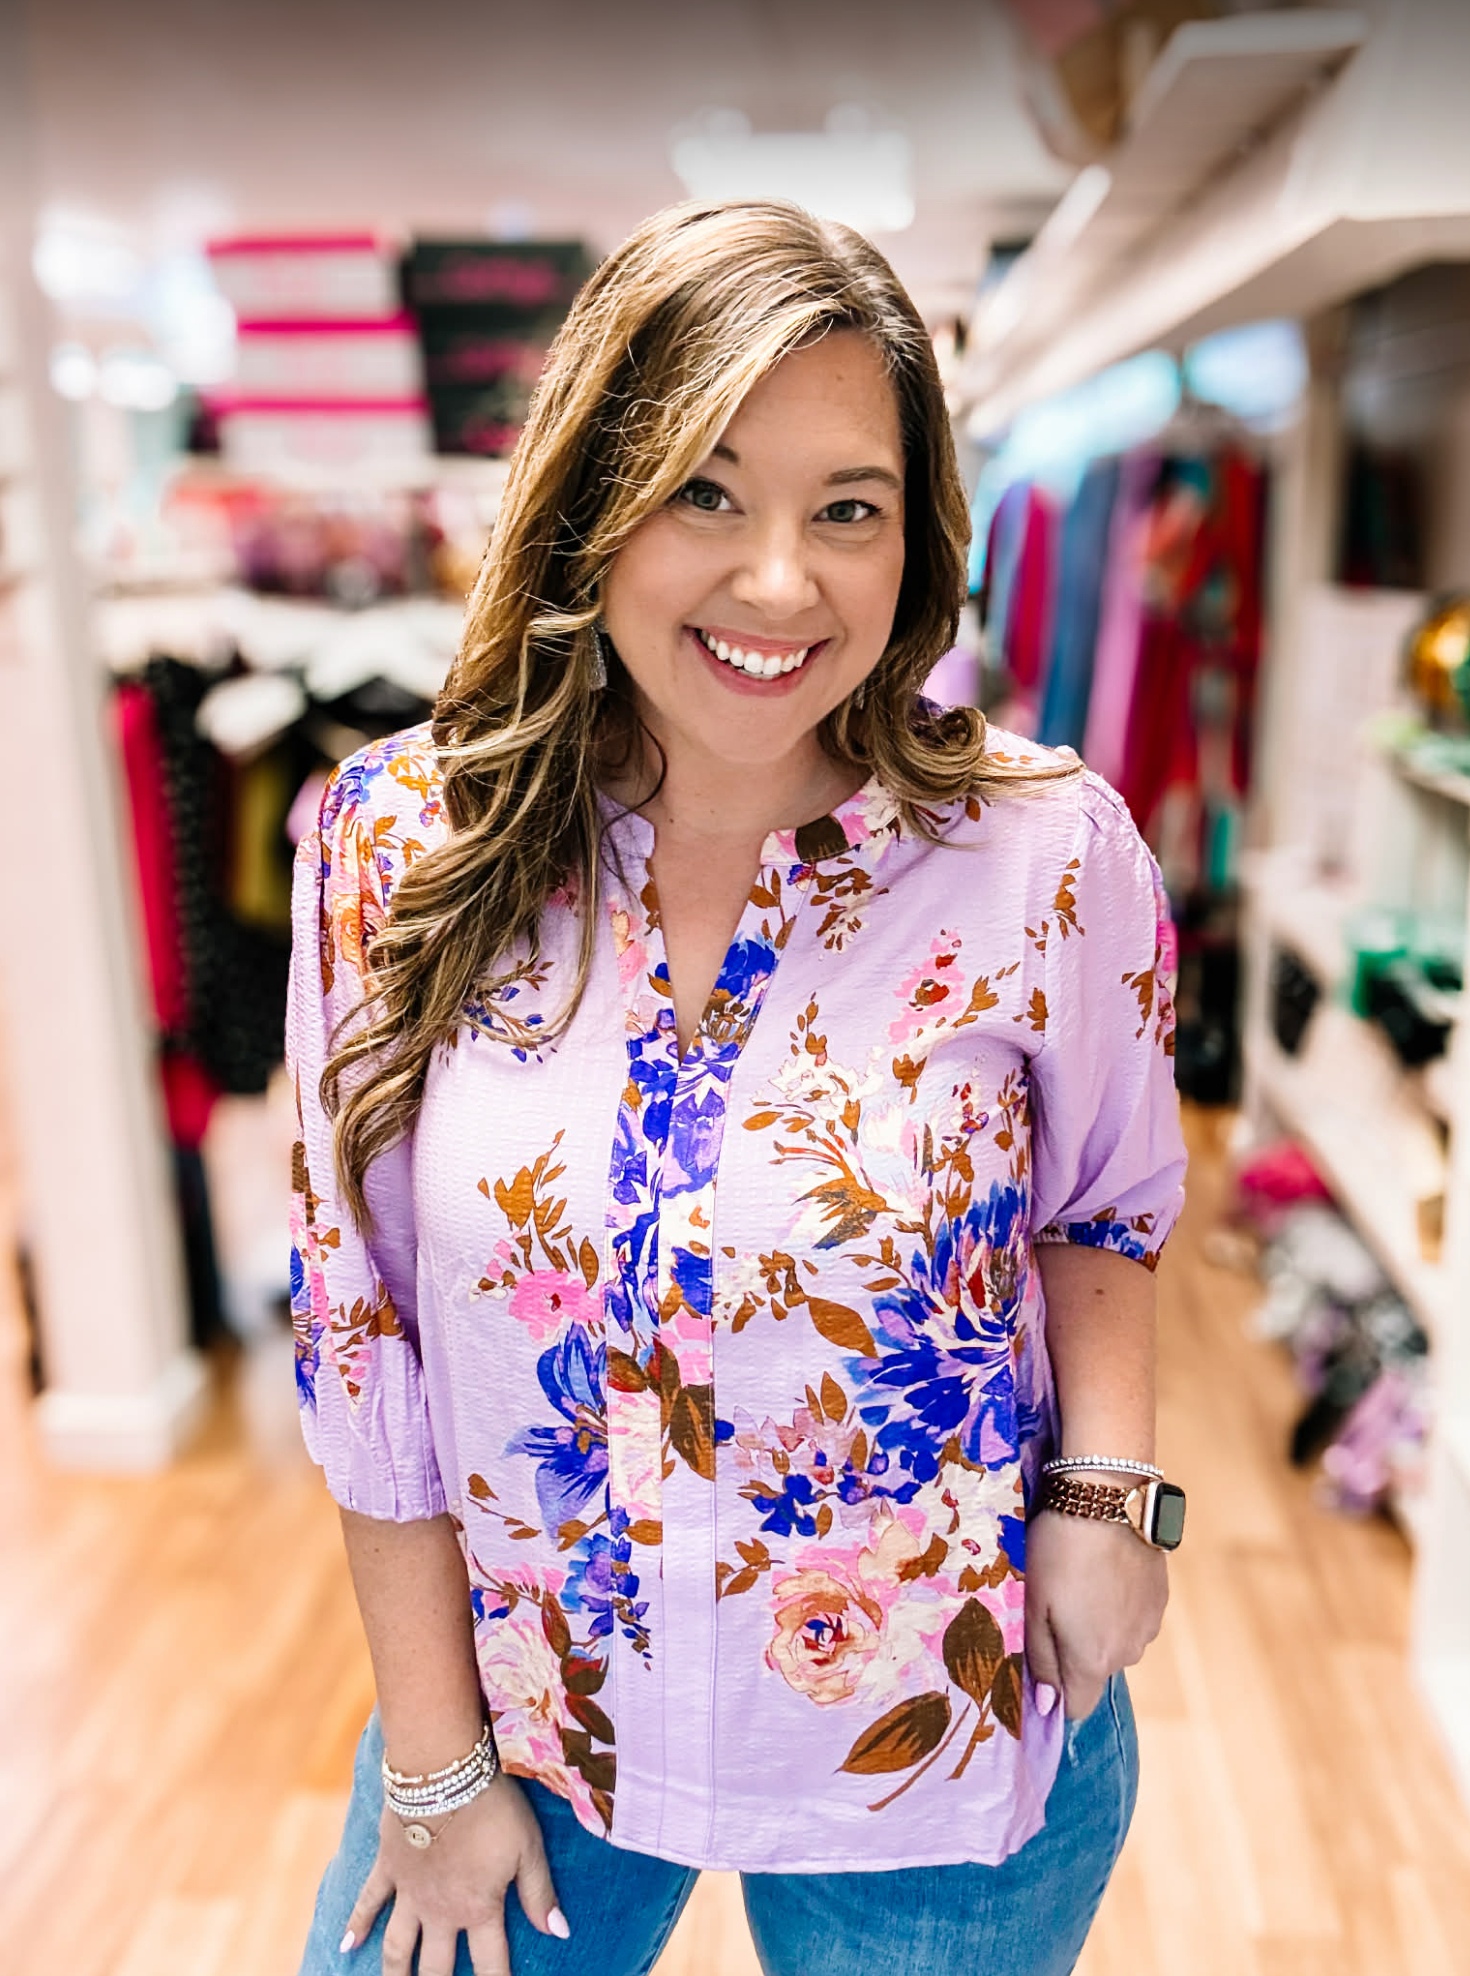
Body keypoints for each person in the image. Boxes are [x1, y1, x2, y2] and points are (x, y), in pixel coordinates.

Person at [290, 199, 1187, 1976]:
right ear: (591, 501)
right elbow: (358, 1316)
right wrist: (432, 1761)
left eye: (846, 509)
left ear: (915, 539)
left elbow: (1102, 1204)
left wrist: (1106, 1504)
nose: (779, 585)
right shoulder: (400, 843)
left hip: (938, 1726)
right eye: (704, 492)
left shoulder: (1045, 856)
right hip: (529, 1718)